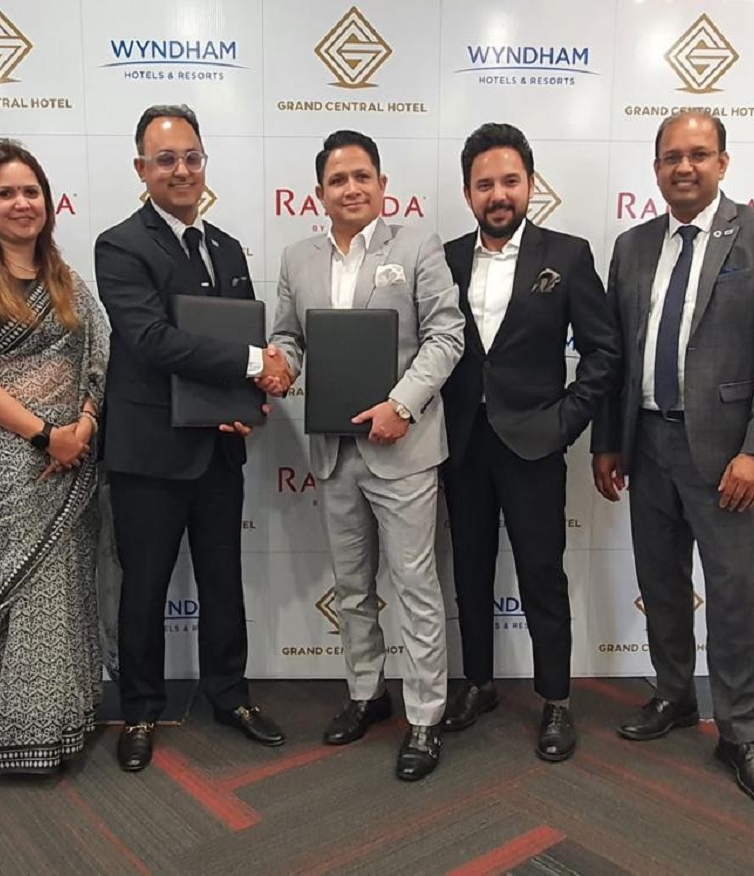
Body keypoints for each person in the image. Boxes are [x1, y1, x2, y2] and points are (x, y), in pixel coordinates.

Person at [591, 111, 754, 806]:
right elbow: (615, 357)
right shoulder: (632, 246)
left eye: (698, 155)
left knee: (733, 594)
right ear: (656, 168)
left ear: (722, 162)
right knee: (660, 583)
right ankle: (675, 695)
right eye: (671, 157)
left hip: (726, 456)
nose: (684, 167)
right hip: (647, 444)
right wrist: (608, 440)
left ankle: (742, 733)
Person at [265, 130, 464, 781]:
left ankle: (426, 717)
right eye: (337, 179)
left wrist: (402, 404)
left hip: (402, 449)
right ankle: (366, 694)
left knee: (415, 586)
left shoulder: (418, 246)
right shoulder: (297, 258)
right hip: (333, 450)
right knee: (352, 587)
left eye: (361, 177)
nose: (350, 188)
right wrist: (280, 368)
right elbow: (289, 337)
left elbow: (446, 336)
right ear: (319, 193)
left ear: (382, 185)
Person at [94, 104, 288, 772]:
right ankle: (141, 709)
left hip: (218, 448)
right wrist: (255, 365)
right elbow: (152, 341)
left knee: (223, 580)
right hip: (148, 452)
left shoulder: (227, 248)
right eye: (166, 159)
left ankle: (230, 695)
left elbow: (233, 336)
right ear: (142, 168)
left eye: (192, 157)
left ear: (205, 163)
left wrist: (246, 405)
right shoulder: (120, 245)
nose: (181, 170)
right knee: (144, 587)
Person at [438, 123, 619, 761]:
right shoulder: (445, 259)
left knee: (542, 573)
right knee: (469, 570)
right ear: (468, 192)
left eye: (510, 181)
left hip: (536, 445)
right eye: (485, 184)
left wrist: (565, 421)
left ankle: (556, 699)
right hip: (462, 445)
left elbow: (603, 352)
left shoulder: (567, 256)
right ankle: (479, 684)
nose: (499, 195)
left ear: (531, 184)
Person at [0, 139, 108, 774]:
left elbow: (98, 357)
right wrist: (46, 435)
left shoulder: (67, 282)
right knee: (15, 598)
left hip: (69, 463)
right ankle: (3, 735)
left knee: (60, 595)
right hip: (2, 469)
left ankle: (61, 725)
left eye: (31, 191)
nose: (21, 203)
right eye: (5, 193)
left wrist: (83, 424)